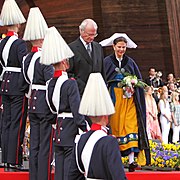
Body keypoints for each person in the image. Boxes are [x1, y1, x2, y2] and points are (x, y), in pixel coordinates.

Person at [40, 26, 88, 180]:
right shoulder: (70, 83)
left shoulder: (50, 83)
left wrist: (55, 123)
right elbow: (76, 110)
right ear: (63, 61)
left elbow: (48, 111)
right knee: (69, 172)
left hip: (59, 128)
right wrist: (85, 128)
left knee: (59, 172)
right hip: (70, 128)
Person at [100, 34, 150, 171]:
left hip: (129, 99)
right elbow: (102, 80)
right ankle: (114, 158)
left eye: (124, 47)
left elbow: (138, 79)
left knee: (131, 125)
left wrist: (133, 84)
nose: (121, 49)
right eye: (119, 47)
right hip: (114, 97)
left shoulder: (131, 62)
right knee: (115, 126)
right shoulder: (107, 62)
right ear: (113, 47)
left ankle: (132, 159)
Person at [68, 72, 127, 180]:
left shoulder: (81, 140)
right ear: (106, 116)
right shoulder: (110, 141)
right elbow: (118, 176)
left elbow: (73, 176)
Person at [21, 7, 54, 179]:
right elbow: (50, 83)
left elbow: (26, 81)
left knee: (34, 143)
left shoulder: (26, 58)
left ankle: (34, 175)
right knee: (45, 144)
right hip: (44, 101)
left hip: (32, 100)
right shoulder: (45, 57)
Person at [0, 0, 28, 169]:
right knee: (17, 122)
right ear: (17, 24)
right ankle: (14, 159)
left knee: (6, 122)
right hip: (17, 85)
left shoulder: (1, 43)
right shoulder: (19, 44)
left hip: (5, 84)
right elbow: (24, 67)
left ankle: (5, 158)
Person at [68, 18, 106, 97]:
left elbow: (102, 71)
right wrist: (81, 86)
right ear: (81, 31)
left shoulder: (98, 47)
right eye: (89, 34)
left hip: (97, 93)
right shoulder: (71, 48)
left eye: (94, 34)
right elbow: (68, 73)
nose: (92, 38)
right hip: (80, 93)